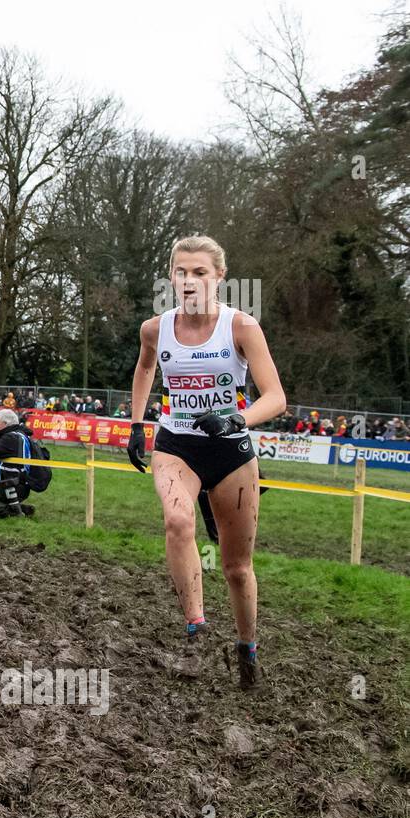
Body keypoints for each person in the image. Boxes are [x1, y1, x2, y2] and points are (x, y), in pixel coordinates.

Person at [126, 235, 285, 691]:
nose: (189, 281)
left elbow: (275, 397)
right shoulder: (155, 328)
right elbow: (144, 368)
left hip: (231, 450)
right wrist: (138, 425)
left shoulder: (241, 327)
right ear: (171, 277)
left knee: (236, 567)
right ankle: (196, 623)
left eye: (200, 272)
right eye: (181, 272)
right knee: (177, 520)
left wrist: (236, 418)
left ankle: (247, 646)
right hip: (177, 443)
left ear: (219, 278)